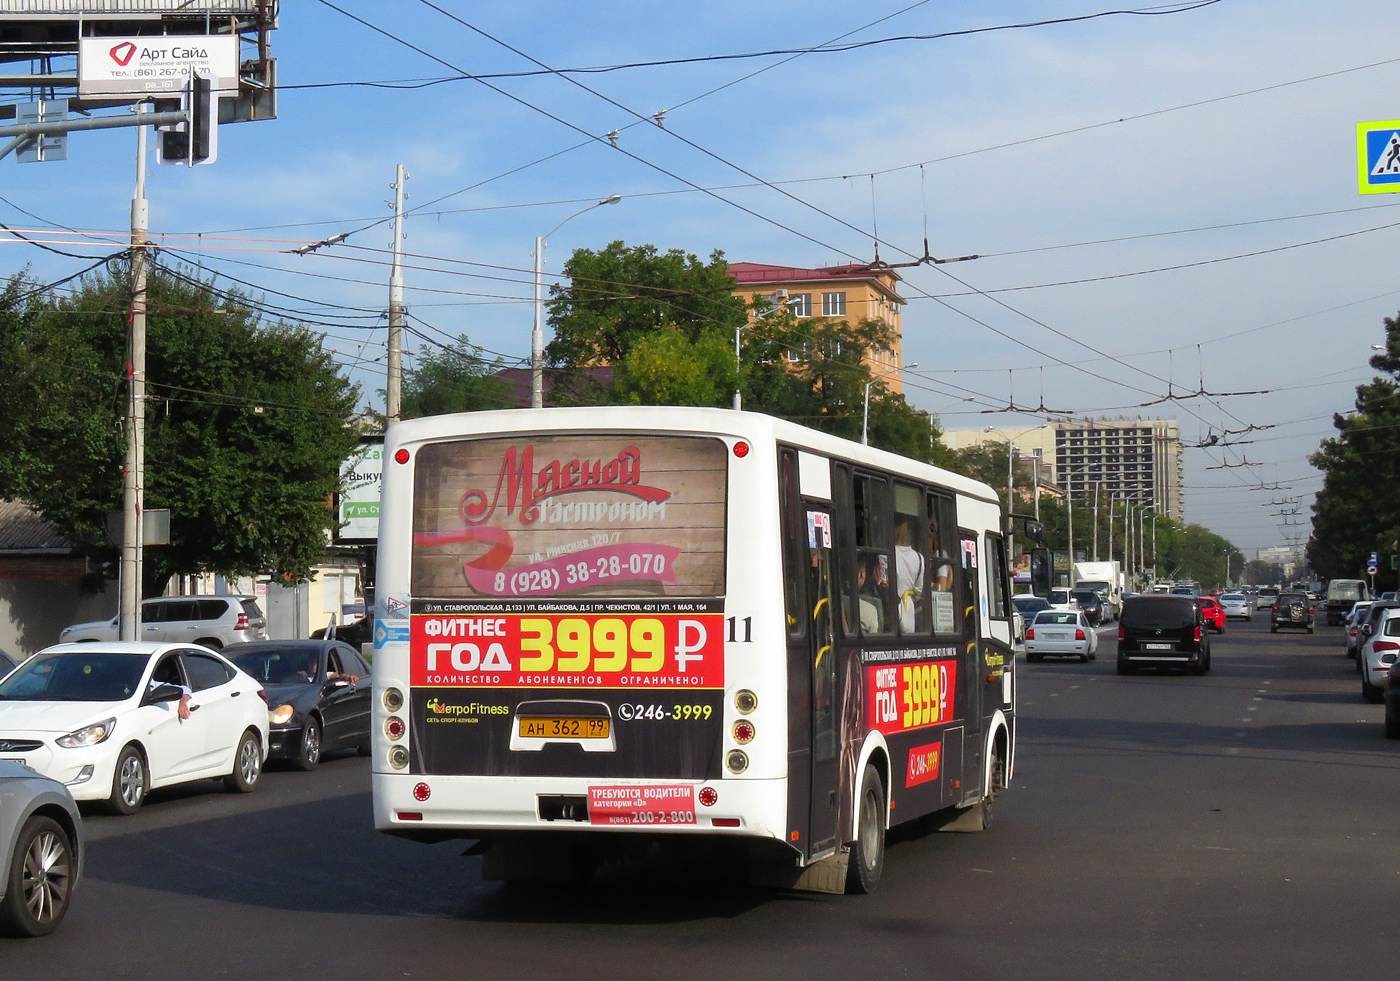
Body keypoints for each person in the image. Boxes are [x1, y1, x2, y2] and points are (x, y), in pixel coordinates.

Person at [894, 517, 925, 633]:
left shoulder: (886, 554)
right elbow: (918, 592)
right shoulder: (920, 558)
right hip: (909, 610)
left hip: (891, 611)